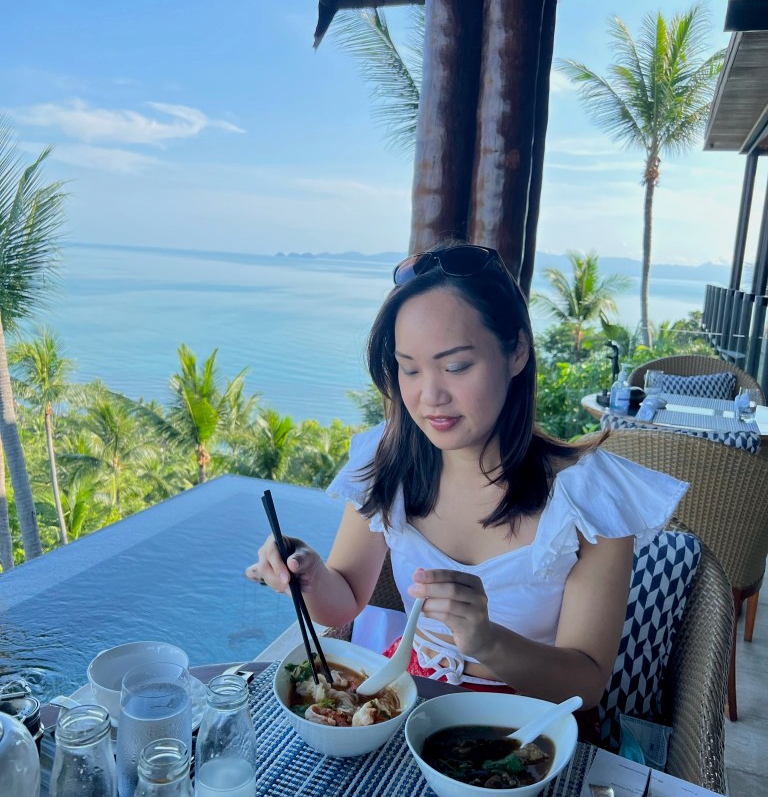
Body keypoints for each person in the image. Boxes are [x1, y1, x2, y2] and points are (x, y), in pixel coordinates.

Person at [247, 243, 686, 711]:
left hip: (530, 724)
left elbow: (586, 685)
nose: (429, 396)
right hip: (407, 698)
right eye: (409, 369)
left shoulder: (589, 499)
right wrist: (309, 575)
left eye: (456, 366)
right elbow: (346, 601)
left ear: (517, 352)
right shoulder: (388, 459)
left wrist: (486, 639)